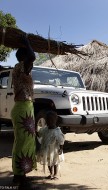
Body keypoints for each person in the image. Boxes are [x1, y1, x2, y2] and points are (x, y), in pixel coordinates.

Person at [11, 35, 36, 185]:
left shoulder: (21, 69)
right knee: (24, 142)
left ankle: (19, 174)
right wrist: (27, 42)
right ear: (24, 58)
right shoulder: (20, 66)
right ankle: (20, 176)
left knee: (22, 141)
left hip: (24, 107)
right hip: (23, 108)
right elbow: (32, 56)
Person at [37, 111, 65, 180]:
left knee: (55, 162)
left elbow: (61, 141)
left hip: (54, 150)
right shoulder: (45, 129)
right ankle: (51, 173)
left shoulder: (57, 131)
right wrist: (34, 130)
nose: (50, 122)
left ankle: (55, 174)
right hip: (46, 150)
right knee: (48, 162)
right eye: (48, 120)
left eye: (51, 120)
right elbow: (39, 134)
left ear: (55, 120)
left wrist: (61, 149)